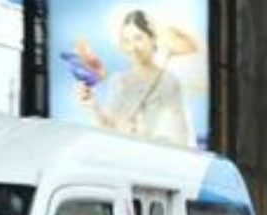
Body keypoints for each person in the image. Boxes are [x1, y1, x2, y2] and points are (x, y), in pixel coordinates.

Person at [76, 9, 196, 147]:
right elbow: (110, 131)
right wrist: (94, 107)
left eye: (138, 38)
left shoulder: (169, 81)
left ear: (152, 38)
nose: (133, 47)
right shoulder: (118, 81)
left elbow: (183, 135)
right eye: (127, 40)